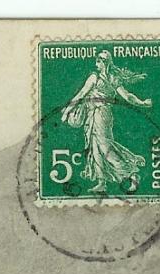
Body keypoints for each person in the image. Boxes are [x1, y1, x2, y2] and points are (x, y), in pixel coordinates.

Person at [61, 50, 152, 193]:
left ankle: (132, 174)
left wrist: (142, 103)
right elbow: (81, 94)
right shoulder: (94, 77)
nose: (97, 62)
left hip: (102, 114)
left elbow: (127, 96)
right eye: (97, 59)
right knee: (94, 147)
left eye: (100, 60)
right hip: (91, 114)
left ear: (105, 62)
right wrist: (67, 110)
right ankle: (101, 182)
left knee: (104, 146)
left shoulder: (112, 78)